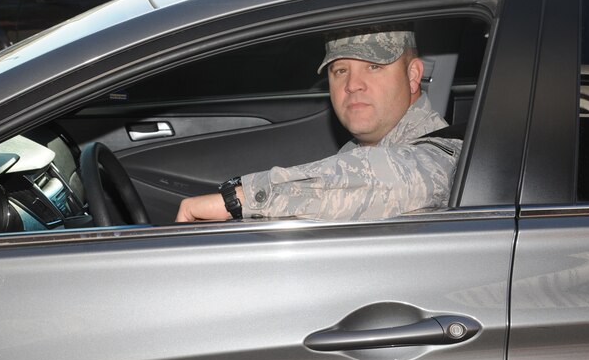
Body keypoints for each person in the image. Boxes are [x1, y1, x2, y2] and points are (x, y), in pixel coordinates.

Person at [175, 28, 463, 222]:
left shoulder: (443, 157)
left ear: (413, 75)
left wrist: (236, 200)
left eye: (373, 67)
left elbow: (393, 180)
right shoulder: (355, 151)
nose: (352, 85)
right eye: (340, 70)